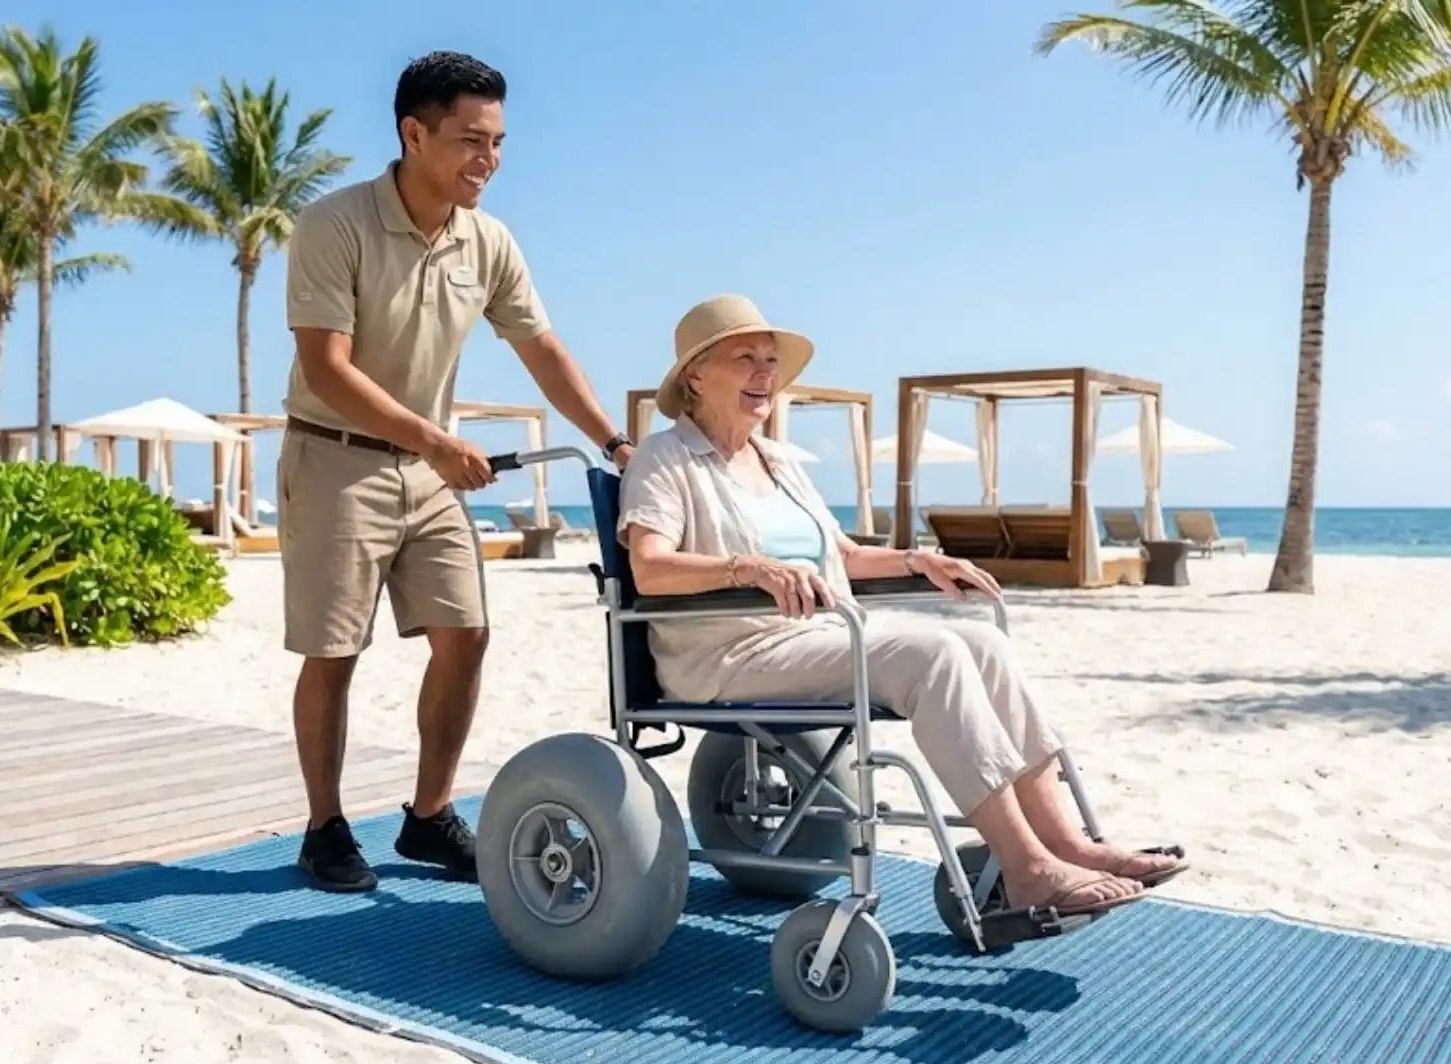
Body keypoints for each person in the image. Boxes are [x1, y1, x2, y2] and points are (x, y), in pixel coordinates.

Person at [617, 294, 1186, 916]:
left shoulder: (775, 461)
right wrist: (747, 567)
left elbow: (841, 556)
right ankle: (1026, 868)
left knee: (983, 640)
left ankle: (1069, 843)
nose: (765, 373)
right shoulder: (664, 458)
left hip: (816, 636)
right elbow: (649, 566)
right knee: (932, 653)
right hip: (729, 652)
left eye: (771, 360)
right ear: (696, 376)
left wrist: (919, 559)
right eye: (744, 358)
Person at [280, 51, 635, 892]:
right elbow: (328, 368)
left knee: (466, 633)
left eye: (499, 142)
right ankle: (325, 828)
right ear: (414, 133)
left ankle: (428, 816)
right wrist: (436, 441)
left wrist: (613, 442)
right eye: (472, 140)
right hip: (336, 462)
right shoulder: (333, 225)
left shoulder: (489, 241)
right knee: (334, 651)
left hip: (429, 474)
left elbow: (541, 349)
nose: (490, 159)